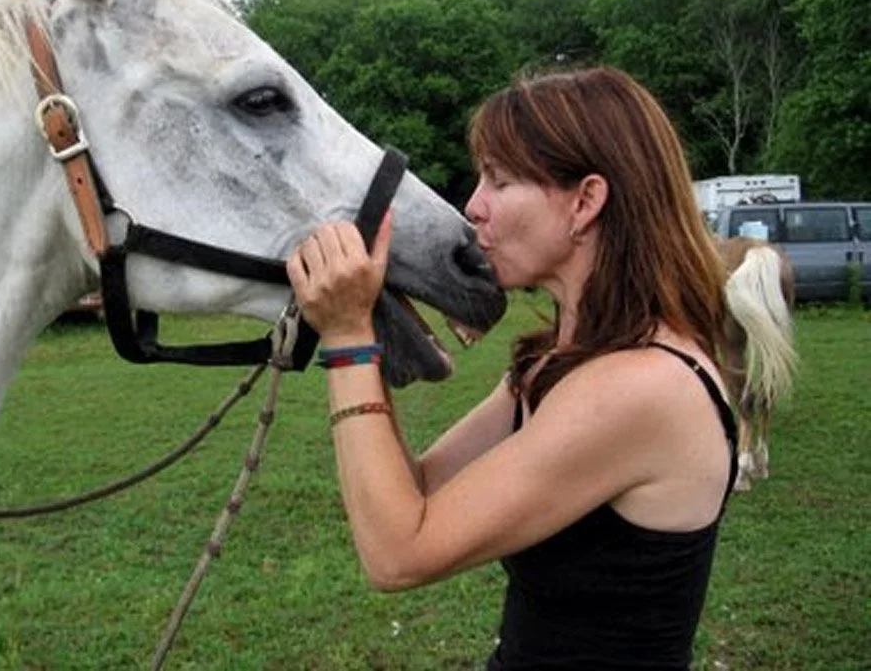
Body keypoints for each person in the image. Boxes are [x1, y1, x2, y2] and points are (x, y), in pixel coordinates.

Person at [286, 66, 736, 671]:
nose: (474, 205)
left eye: (499, 180)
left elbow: (397, 552)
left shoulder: (642, 386)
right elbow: (417, 490)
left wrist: (347, 339)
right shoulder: (557, 363)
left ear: (586, 202)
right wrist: (378, 324)